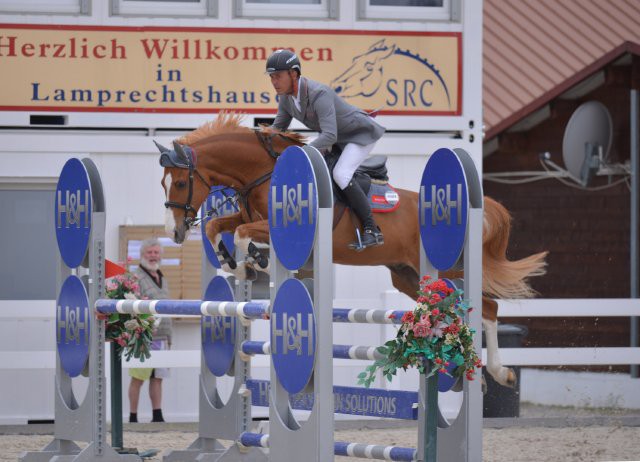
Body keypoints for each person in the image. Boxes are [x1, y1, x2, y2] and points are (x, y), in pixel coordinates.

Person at [266, 49, 385, 250]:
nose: (274, 82)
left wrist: (303, 154)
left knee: (340, 174)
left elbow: (329, 136)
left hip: (358, 135)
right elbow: (277, 131)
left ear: (293, 74)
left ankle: (372, 229)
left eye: (278, 76)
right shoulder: (286, 99)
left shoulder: (318, 93)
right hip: (338, 137)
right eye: (271, 77)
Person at [128, 238, 172, 423]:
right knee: (138, 378)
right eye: (149, 253)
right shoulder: (135, 277)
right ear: (142, 255)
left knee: (158, 378)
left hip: (163, 336)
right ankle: (133, 417)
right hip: (144, 336)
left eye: (156, 252)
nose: (153, 256)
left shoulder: (162, 278)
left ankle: (157, 415)